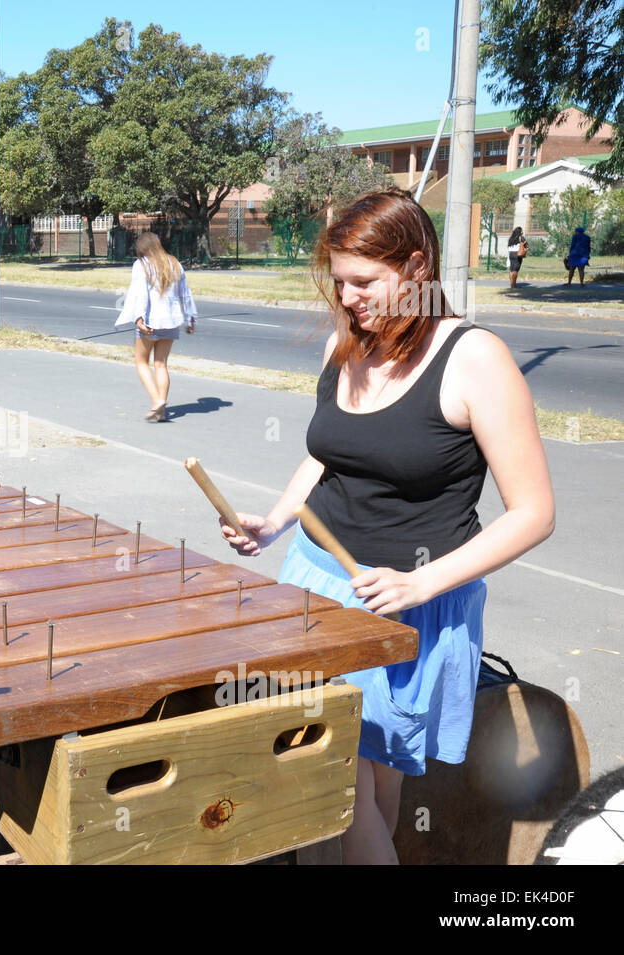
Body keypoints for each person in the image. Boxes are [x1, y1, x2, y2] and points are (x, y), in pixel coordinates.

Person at [219, 188, 555, 865]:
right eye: (339, 281)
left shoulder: (474, 358)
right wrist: (276, 522)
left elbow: (534, 513)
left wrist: (420, 582)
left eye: (364, 281)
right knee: (335, 776)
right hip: (316, 583)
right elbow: (325, 451)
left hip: (408, 604)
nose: (347, 298)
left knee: (364, 778)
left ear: (416, 267)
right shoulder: (347, 344)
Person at [114, 231, 197, 422]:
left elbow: (139, 293)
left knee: (141, 362)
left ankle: (157, 401)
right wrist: (191, 317)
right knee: (161, 364)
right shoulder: (174, 264)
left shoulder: (141, 265)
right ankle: (161, 409)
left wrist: (139, 317)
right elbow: (185, 293)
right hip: (171, 321)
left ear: (142, 248)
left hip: (149, 321)